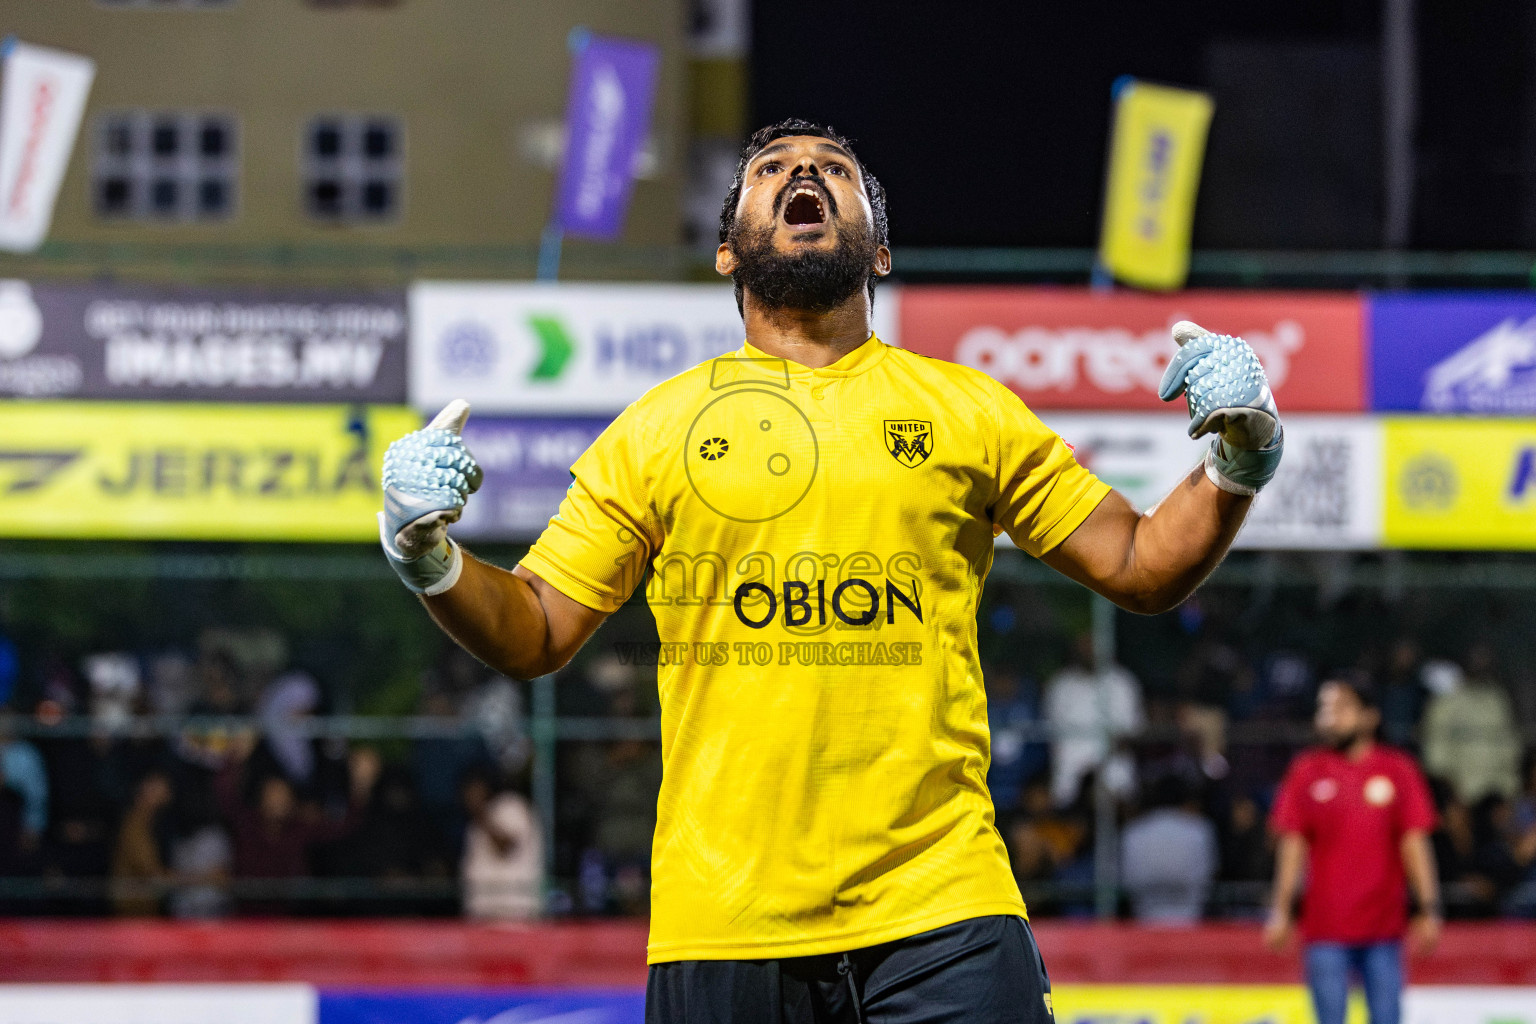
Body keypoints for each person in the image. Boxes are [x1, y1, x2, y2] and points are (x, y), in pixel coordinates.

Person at [378, 119, 1286, 1023]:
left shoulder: (972, 412)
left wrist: (1236, 462)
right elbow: (536, 626)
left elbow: (1138, 563)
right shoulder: (654, 431)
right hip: (726, 926)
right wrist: (429, 557)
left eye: (833, 169)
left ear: (879, 251)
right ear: (728, 253)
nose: (803, 171)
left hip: (946, 909)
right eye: (770, 168)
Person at [1266, 676, 1441, 1024]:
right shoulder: (1306, 771)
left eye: (1341, 708)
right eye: (1324, 708)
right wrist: (1281, 908)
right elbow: (1292, 846)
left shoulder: (1398, 770)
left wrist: (1428, 907)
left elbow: (1414, 844)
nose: (1330, 717)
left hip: (1384, 928)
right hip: (1325, 929)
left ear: (1369, 716)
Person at [1043, 634, 1144, 808]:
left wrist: (1097, 771)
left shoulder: (1123, 682)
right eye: (1083, 647)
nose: (1089, 652)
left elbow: (1133, 733)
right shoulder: (1060, 685)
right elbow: (1051, 735)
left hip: (1114, 778)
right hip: (1070, 781)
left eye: (1093, 646)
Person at [1120, 774, 1217, 925]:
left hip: (1145, 921)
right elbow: (1208, 874)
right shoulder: (1200, 830)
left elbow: (1127, 879)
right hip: (1189, 922)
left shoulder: (1133, 832)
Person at [460, 769, 542, 920]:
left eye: (474, 789)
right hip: (485, 912)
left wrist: (480, 813)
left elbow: (506, 847)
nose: (470, 795)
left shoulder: (511, 805)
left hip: (511, 912)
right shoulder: (478, 820)